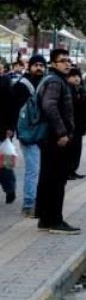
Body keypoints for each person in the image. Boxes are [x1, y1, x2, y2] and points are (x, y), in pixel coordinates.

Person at [36, 49, 80, 234]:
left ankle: (46, 219)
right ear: (53, 64)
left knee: (49, 178)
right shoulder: (55, 81)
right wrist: (62, 132)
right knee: (56, 180)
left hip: (50, 138)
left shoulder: (54, 79)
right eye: (62, 61)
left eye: (68, 60)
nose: (67, 63)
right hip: (55, 139)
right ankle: (55, 220)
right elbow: (49, 105)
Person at [11, 55, 46, 217]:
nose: (39, 68)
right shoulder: (21, 86)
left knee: (39, 170)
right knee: (32, 170)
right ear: (29, 66)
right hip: (28, 134)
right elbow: (12, 110)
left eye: (41, 65)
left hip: (43, 134)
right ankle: (28, 204)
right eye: (36, 65)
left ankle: (36, 202)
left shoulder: (45, 83)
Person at [66, 68, 86, 180]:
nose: (76, 78)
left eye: (78, 76)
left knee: (77, 149)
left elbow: (84, 108)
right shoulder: (67, 90)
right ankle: (68, 171)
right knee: (71, 149)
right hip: (71, 125)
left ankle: (73, 170)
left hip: (80, 125)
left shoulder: (80, 90)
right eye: (73, 76)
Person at [0, 66, 16, 204]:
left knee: (5, 164)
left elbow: (11, 106)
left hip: (3, 130)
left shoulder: (5, 82)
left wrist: (10, 127)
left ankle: (10, 188)